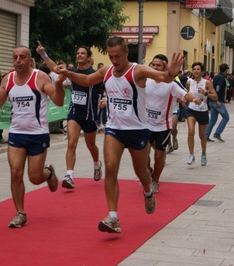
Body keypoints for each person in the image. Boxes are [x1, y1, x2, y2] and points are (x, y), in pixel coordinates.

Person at [57, 36, 184, 233]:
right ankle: (113, 217)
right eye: (111, 56)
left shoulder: (138, 71)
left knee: (142, 172)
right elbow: (87, 80)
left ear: (126, 53)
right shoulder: (106, 71)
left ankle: (148, 192)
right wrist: (68, 73)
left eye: (118, 56)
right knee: (110, 167)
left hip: (138, 129)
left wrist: (172, 73)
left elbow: (163, 78)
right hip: (114, 129)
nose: (114, 60)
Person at [0, 45, 64, 228]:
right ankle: (20, 213)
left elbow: (59, 101)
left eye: (22, 57)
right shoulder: (8, 79)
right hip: (16, 133)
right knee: (15, 172)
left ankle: (49, 174)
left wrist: (59, 84)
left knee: (35, 177)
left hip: (37, 134)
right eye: (15, 57)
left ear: (29, 60)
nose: (18, 61)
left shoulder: (40, 77)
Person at [36, 41, 102, 189]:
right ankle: (69, 175)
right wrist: (43, 54)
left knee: (91, 146)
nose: (79, 55)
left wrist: (104, 99)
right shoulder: (72, 71)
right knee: (72, 143)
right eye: (78, 53)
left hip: (90, 115)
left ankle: (97, 164)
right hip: (74, 112)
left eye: (83, 53)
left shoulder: (94, 74)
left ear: (89, 58)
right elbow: (54, 68)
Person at [146, 54, 201, 193]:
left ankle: (155, 180)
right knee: (142, 156)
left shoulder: (171, 84)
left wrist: (194, 99)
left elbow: (185, 94)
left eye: (159, 65)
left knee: (158, 156)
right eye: (154, 64)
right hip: (145, 124)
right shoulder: (145, 80)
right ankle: (148, 172)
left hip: (163, 126)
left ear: (165, 67)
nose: (155, 67)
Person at [185, 62, 218, 166]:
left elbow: (215, 97)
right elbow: (186, 94)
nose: (195, 71)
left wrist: (205, 93)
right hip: (191, 109)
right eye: (194, 69)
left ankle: (203, 153)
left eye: (198, 69)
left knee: (202, 135)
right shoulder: (189, 82)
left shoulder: (207, 83)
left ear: (202, 72)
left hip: (203, 110)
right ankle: (191, 155)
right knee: (191, 131)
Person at [205, 63, 230, 143]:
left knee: (213, 119)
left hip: (212, 100)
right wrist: (218, 99)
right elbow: (218, 88)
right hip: (217, 101)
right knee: (226, 117)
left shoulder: (216, 76)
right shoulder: (222, 78)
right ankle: (217, 133)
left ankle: (206, 135)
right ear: (226, 70)